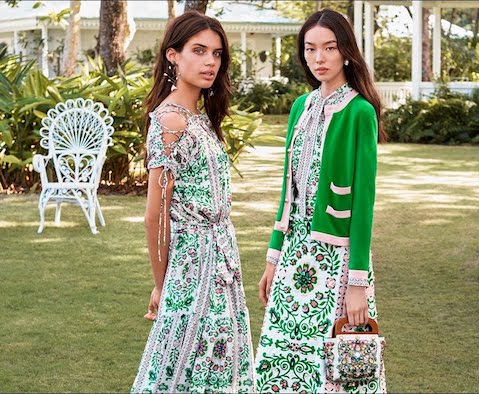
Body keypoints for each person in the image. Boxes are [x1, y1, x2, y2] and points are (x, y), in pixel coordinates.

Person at [254, 9, 387, 393]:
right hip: (293, 255)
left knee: (336, 366)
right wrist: (272, 258)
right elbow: (287, 191)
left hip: (337, 261)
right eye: (311, 49)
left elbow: (363, 203)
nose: (319, 58)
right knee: (280, 365)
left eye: (329, 48)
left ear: (346, 51)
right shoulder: (300, 107)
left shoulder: (360, 111)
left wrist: (357, 283)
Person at [131, 11, 254, 393]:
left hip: (222, 260)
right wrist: (160, 283)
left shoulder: (197, 118)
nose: (210, 62)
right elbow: (155, 215)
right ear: (173, 55)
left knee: (218, 360)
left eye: (216, 54)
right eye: (198, 51)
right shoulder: (169, 121)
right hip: (192, 264)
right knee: (181, 359)